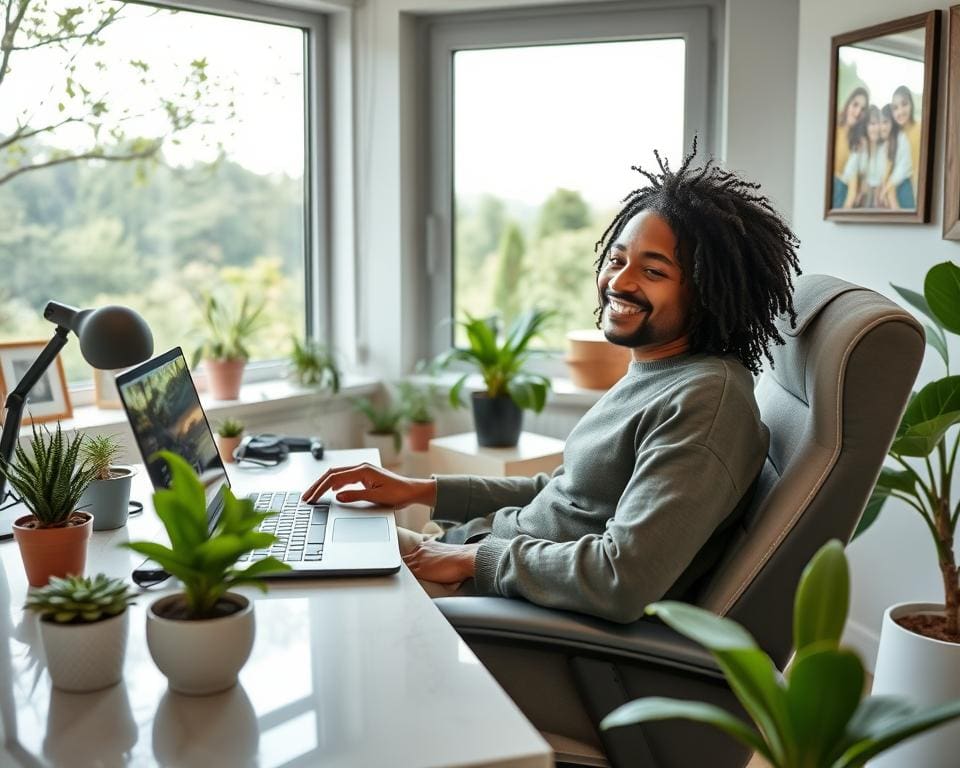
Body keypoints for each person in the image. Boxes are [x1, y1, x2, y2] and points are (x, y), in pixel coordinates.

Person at [302, 140, 802, 623]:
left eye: (653, 271)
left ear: (706, 292)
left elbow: (624, 577)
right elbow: (565, 494)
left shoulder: (705, 401)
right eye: (617, 259)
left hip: (512, 612)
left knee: (307, 605)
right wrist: (420, 489)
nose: (620, 282)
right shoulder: (659, 370)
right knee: (297, 547)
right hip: (479, 561)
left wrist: (478, 562)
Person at [833, 86, 869, 209]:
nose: (858, 112)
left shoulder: (859, 142)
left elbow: (853, 182)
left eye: (862, 109)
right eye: (855, 105)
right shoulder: (833, 123)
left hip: (839, 191)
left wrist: (845, 209)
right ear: (848, 104)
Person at [890, 85, 920, 209]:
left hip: (917, 193)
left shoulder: (920, 129)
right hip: (900, 193)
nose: (900, 111)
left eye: (904, 104)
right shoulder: (896, 136)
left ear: (911, 104)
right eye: (895, 108)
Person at [879, 102, 913, 210]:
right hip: (891, 195)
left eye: (885, 122)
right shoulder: (884, 146)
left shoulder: (901, 139)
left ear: (893, 123)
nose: (881, 127)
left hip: (903, 190)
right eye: (880, 123)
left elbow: (902, 169)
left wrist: (886, 188)